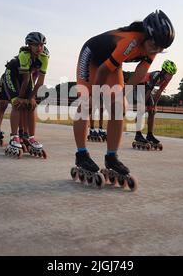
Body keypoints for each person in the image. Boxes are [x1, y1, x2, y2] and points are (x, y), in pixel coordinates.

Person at [71, 10, 175, 190]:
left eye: (160, 48)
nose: (156, 50)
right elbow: (102, 71)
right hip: (91, 56)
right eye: (154, 45)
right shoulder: (131, 41)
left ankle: (112, 157)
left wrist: (123, 97)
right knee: (87, 104)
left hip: (111, 62)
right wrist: (97, 96)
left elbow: (139, 73)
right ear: (146, 34)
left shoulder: (153, 44)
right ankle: (81, 154)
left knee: (119, 107)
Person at [3, 32, 50, 158]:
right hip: (12, 75)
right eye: (36, 45)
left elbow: (40, 82)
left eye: (41, 45)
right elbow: (25, 81)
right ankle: (14, 136)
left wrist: (31, 99)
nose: (39, 48)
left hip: (27, 78)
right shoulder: (24, 55)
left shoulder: (44, 58)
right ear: (29, 45)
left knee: (31, 106)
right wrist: (20, 98)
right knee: (17, 104)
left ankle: (31, 137)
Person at [132, 60, 177, 151]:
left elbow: (159, 92)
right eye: (169, 74)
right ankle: (138, 134)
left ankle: (149, 135)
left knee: (152, 111)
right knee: (142, 110)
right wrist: (143, 106)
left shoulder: (166, 79)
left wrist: (154, 106)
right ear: (163, 71)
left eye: (172, 75)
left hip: (146, 88)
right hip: (139, 85)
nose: (170, 77)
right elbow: (149, 91)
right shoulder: (156, 76)